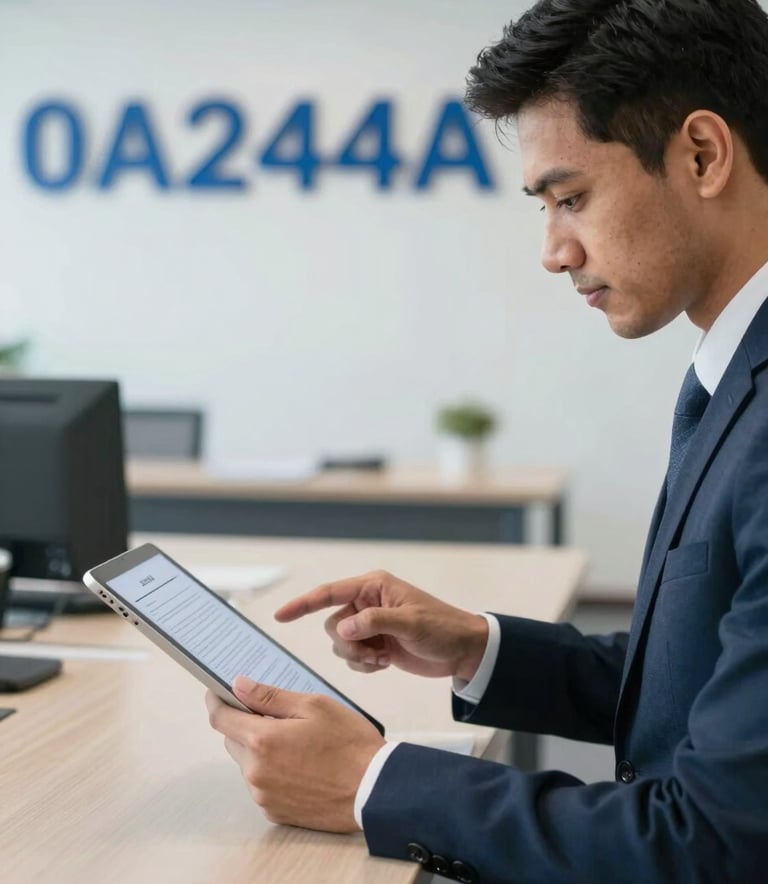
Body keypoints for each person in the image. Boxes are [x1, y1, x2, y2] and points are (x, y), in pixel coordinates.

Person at [206, 1, 768, 880]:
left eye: (571, 198)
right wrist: (477, 646)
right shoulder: (730, 371)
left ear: (701, 154)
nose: (553, 251)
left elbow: (715, 844)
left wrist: (368, 781)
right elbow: (704, 675)